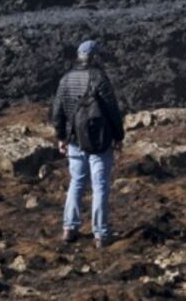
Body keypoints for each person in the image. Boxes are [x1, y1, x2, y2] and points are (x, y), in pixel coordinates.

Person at [50, 40, 125, 247]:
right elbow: (112, 110)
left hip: (75, 140)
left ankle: (69, 228)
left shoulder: (65, 80)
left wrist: (61, 137)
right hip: (100, 142)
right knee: (100, 186)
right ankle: (100, 233)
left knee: (76, 183)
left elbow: (57, 112)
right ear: (95, 57)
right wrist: (119, 137)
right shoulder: (99, 78)